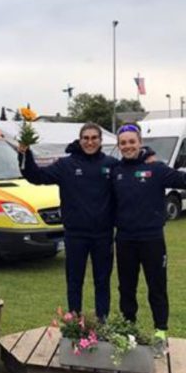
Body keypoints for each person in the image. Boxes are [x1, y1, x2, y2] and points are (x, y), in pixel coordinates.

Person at [18, 123, 117, 321]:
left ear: (100, 141)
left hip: (103, 234)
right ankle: (75, 322)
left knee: (102, 281)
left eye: (94, 138)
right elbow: (36, 176)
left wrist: (147, 157)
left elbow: (131, 175)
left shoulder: (112, 164)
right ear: (80, 140)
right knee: (74, 280)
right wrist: (24, 154)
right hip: (75, 234)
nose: (90, 142)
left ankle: (102, 322)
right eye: (86, 138)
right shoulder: (66, 165)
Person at [112, 124, 186, 352]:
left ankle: (160, 332)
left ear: (140, 143)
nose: (128, 146)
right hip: (125, 239)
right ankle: (128, 331)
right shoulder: (115, 171)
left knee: (157, 287)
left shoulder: (156, 169)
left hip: (152, 239)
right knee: (126, 288)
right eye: (123, 143)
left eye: (131, 142)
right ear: (119, 146)